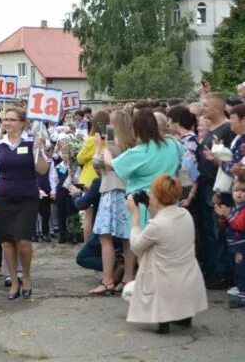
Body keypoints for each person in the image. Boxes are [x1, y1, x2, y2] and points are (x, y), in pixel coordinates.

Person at [0, 107, 49, 300]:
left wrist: (40, 150)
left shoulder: (31, 142)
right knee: (7, 241)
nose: (7, 123)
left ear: (22, 123)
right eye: (5, 119)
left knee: (24, 240)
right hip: (4, 197)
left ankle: (25, 276)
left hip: (27, 197)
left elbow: (42, 170)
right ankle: (13, 279)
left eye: (12, 119)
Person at [126, 175, 207, 334]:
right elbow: (164, 225)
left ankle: (162, 318)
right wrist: (151, 208)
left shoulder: (157, 225)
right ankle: (183, 314)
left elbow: (136, 247)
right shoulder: (185, 214)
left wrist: (135, 216)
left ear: (156, 196)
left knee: (151, 258)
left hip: (163, 281)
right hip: (188, 278)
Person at [110, 108, 182, 232]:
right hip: (170, 202)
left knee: (143, 244)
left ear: (135, 130)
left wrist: (103, 147)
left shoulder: (139, 152)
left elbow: (111, 164)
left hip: (144, 207)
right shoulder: (173, 144)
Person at [89, 110, 136, 295]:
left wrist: (99, 146)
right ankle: (128, 278)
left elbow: (97, 164)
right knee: (128, 239)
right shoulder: (133, 143)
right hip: (128, 192)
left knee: (106, 238)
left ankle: (107, 280)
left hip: (111, 192)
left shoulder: (110, 143)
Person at [198, 92, 235, 289]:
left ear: (219, 108)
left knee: (217, 230)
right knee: (208, 232)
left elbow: (230, 160)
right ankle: (212, 269)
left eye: (206, 105)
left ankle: (222, 273)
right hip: (205, 184)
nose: (203, 108)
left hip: (218, 186)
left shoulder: (227, 129)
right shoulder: (210, 128)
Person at [77, 110, 110, 243]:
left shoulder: (92, 140)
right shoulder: (111, 138)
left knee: (88, 216)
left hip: (89, 179)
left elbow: (80, 158)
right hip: (106, 179)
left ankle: (87, 245)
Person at [217, 180, 245, 308]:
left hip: (241, 246)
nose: (239, 193)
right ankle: (241, 292)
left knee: (241, 271)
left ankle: (243, 296)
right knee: (235, 270)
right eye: (236, 191)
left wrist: (227, 215)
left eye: (243, 191)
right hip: (232, 246)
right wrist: (222, 217)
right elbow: (224, 225)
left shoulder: (242, 210)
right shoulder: (234, 209)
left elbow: (238, 225)